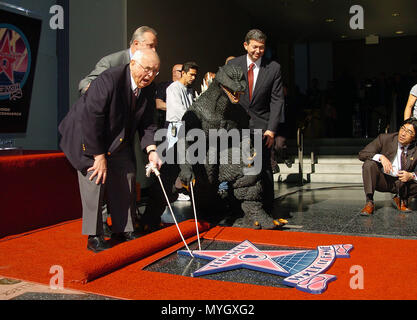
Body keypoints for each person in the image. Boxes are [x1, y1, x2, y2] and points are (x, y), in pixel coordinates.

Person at [59, 49, 162, 253]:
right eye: (147, 69)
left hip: (117, 138)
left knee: (127, 174)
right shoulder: (110, 79)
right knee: (95, 179)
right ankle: (94, 235)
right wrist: (98, 155)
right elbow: (92, 117)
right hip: (87, 135)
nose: (150, 75)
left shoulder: (148, 89)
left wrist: (151, 149)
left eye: (155, 71)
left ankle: (124, 229)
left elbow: (148, 122)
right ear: (133, 63)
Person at [227, 29, 284, 212]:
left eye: (261, 47)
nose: (258, 51)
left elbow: (277, 100)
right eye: (254, 47)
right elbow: (225, 93)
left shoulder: (273, 68)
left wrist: (271, 129)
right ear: (246, 46)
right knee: (237, 166)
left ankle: (267, 207)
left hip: (262, 126)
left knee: (264, 167)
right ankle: (236, 208)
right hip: (237, 125)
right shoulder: (233, 65)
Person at [358, 118, 417, 216]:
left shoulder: (415, 148)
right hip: (382, 179)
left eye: (409, 132)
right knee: (369, 164)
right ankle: (369, 202)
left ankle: (402, 199)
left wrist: (411, 175)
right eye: (402, 129)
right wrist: (380, 157)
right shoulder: (385, 138)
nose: (403, 134)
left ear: (414, 137)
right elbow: (362, 154)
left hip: (402, 183)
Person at [78, 26, 158, 95]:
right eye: (150, 45)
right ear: (136, 44)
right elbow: (85, 84)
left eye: (155, 46)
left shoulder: (151, 67)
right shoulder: (111, 62)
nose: (154, 50)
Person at [165, 62, 199, 201]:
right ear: (183, 73)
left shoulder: (190, 90)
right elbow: (180, 111)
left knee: (188, 162)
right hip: (177, 129)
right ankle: (172, 191)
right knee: (174, 163)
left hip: (189, 129)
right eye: (191, 74)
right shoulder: (173, 88)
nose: (193, 78)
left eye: (195, 75)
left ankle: (181, 189)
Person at [155, 64, 183, 130]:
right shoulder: (164, 86)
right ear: (174, 73)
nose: (183, 73)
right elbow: (159, 104)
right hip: (166, 126)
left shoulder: (188, 89)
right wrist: (180, 108)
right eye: (181, 71)